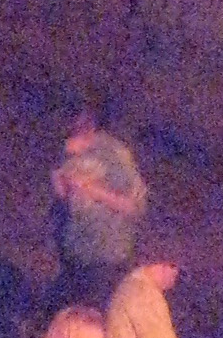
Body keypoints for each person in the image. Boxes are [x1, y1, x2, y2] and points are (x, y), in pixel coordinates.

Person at [48, 108, 148, 304]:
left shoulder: (114, 154)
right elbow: (64, 199)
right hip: (74, 252)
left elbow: (134, 207)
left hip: (107, 255)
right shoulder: (66, 151)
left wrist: (92, 190)